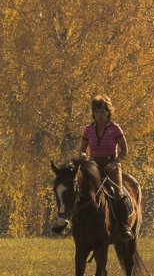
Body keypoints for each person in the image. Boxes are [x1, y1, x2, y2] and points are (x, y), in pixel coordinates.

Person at [52, 96, 134, 238]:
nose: (99, 115)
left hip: (111, 166)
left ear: (108, 112)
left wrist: (114, 163)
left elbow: (124, 150)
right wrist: (83, 156)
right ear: (93, 113)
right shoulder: (88, 129)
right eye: (96, 112)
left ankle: (124, 226)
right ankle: (67, 224)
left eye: (102, 111)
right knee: (79, 192)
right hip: (93, 167)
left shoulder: (115, 128)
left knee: (118, 194)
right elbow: (83, 150)